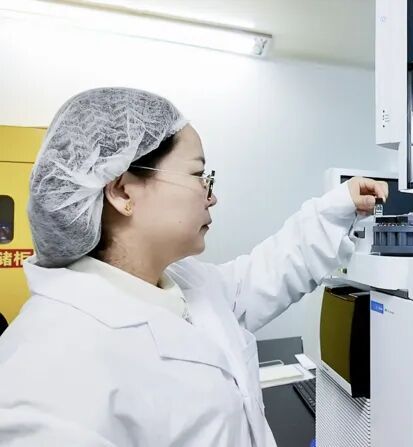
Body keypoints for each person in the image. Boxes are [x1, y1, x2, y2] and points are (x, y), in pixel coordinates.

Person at [0, 87, 387, 446]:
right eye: (198, 174)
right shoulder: (44, 373)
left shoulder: (181, 285)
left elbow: (265, 273)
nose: (211, 195)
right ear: (122, 190)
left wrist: (339, 206)